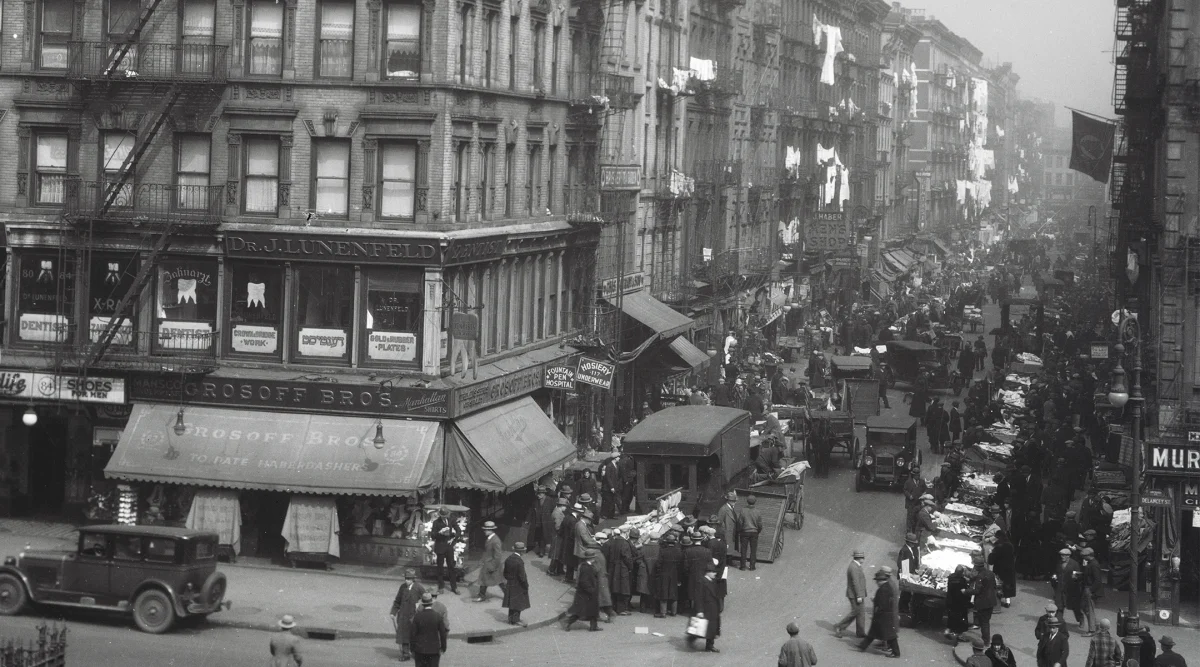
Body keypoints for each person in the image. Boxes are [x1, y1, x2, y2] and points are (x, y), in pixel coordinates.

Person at [859, 568, 900, 657]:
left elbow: (882, 604)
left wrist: (877, 612)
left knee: (889, 635)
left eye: (877, 581)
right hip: (885, 615)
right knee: (876, 633)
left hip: (883, 615)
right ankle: (862, 646)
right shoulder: (887, 586)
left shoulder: (883, 589)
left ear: (881, 581)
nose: (876, 583)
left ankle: (896, 653)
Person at [390, 569, 426, 662]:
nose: (407, 581)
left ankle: (415, 652)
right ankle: (405, 654)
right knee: (404, 635)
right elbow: (397, 601)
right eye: (406, 578)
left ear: (413, 579)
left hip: (414, 616)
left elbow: (426, 599)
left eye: (409, 579)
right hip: (402, 616)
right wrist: (393, 612)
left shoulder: (419, 588)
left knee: (415, 636)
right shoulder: (402, 587)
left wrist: (420, 606)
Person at [564, 548, 602, 632]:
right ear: (590, 558)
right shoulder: (586, 567)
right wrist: (591, 590)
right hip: (586, 593)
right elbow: (583, 581)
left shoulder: (586, 565)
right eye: (593, 557)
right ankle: (568, 622)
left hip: (587, 592)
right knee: (580, 611)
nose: (594, 559)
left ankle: (594, 626)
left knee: (592, 610)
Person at [833, 550, 868, 638]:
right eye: (862, 557)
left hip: (857, 593)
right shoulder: (854, 567)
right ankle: (839, 626)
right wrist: (859, 595)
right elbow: (855, 582)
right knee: (856, 611)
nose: (863, 559)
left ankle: (860, 632)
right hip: (855, 594)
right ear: (859, 558)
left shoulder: (856, 566)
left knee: (861, 612)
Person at [409, 593, 448, 667]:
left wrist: (412, 649)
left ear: (422, 604)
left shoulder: (417, 616)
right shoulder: (437, 616)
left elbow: (412, 634)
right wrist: (443, 648)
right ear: (431, 603)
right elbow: (443, 634)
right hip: (434, 650)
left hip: (419, 650)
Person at [690, 565, 722, 653]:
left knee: (712, 627)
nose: (715, 573)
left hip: (713, 608)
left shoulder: (712, 581)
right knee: (701, 626)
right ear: (708, 572)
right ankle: (691, 638)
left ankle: (710, 645)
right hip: (706, 608)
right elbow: (698, 597)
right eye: (713, 572)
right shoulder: (702, 582)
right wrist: (700, 610)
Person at [606, 528, 636, 615]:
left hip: (613, 568)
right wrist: (630, 567)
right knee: (623, 588)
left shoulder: (613, 541)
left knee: (615, 588)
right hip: (622, 568)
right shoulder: (624, 543)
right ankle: (621, 609)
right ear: (625, 533)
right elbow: (627, 557)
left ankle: (614, 607)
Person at [430, 508, 460, 593]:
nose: (444, 518)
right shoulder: (436, 522)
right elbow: (432, 535)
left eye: (446, 516)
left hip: (449, 546)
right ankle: (441, 586)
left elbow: (458, 530)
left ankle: (454, 587)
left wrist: (454, 539)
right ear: (440, 515)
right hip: (440, 547)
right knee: (440, 568)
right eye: (443, 516)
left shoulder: (451, 520)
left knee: (451, 566)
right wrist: (439, 532)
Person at [501, 542, 530, 626]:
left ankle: (510, 619)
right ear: (522, 552)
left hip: (510, 583)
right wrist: (526, 585)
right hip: (518, 585)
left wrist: (509, 579)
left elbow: (505, 573)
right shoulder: (520, 561)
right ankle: (516, 619)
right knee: (518, 603)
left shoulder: (508, 558)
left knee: (512, 602)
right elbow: (522, 576)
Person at [654, 533, 683, 617]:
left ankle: (663, 612)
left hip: (664, 574)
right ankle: (674, 612)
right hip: (675, 574)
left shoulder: (663, 551)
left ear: (666, 542)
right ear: (674, 542)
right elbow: (681, 565)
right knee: (674, 593)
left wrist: (658, 573)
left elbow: (658, 564)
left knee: (664, 593)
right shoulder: (678, 551)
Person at [476, 520, 504, 602]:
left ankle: (508, 595)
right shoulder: (490, 538)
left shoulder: (495, 540)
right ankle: (482, 595)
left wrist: (493, 566)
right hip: (488, 563)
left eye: (486, 530)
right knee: (484, 580)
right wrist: (482, 560)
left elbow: (498, 556)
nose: (484, 531)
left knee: (500, 581)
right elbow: (487, 552)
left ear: (491, 530)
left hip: (493, 564)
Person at [972, 558, 998, 644]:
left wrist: (966, 591)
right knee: (986, 621)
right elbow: (994, 585)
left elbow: (977, 591)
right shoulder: (990, 573)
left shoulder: (980, 576)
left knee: (984, 622)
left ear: (977, 566)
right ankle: (986, 639)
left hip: (983, 602)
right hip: (991, 601)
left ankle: (985, 640)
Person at [989, 530, 1017, 607]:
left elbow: (991, 560)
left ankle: (998, 600)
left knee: (999, 584)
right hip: (1010, 568)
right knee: (1008, 584)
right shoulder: (1010, 545)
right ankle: (1008, 601)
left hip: (999, 569)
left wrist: (991, 553)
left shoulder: (998, 547)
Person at [1079, 547, 1103, 635]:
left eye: (1084, 556)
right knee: (1084, 608)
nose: (1083, 558)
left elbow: (1098, 580)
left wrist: (1090, 590)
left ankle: (1092, 630)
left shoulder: (1094, 565)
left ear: (1089, 555)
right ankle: (1096, 626)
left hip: (1090, 589)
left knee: (1089, 609)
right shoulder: (1090, 563)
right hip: (1087, 588)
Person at [945, 565, 972, 641]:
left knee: (951, 617)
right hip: (960, 603)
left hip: (951, 601)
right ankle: (959, 636)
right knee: (961, 620)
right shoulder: (961, 580)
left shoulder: (950, 577)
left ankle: (947, 631)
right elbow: (964, 590)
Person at [736, 494, 763, 570]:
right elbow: (760, 524)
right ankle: (752, 566)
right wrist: (758, 531)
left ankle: (743, 566)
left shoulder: (743, 510)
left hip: (744, 532)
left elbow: (740, 522)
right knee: (753, 550)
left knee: (743, 549)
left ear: (747, 501)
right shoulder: (758, 511)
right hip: (754, 532)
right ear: (755, 502)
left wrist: (739, 530)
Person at [896, 533, 920, 614]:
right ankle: (903, 608)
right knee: (906, 592)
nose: (914, 544)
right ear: (909, 542)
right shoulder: (904, 550)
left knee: (907, 592)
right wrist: (910, 575)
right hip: (905, 575)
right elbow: (901, 563)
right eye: (913, 542)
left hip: (908, 573)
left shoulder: (909, 549)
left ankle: (903, 607)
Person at [716, 491, 738, 562]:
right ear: (728, 501)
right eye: (733, 501)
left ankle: (728, 561)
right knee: (726, 547)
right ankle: (726, 563)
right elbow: (719, 521)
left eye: (734, 501)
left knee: (729, 547)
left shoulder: (731, 508)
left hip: (730, 531)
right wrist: (724, 529)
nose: (734, 502)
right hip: (726, 531)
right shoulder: (723, 509)